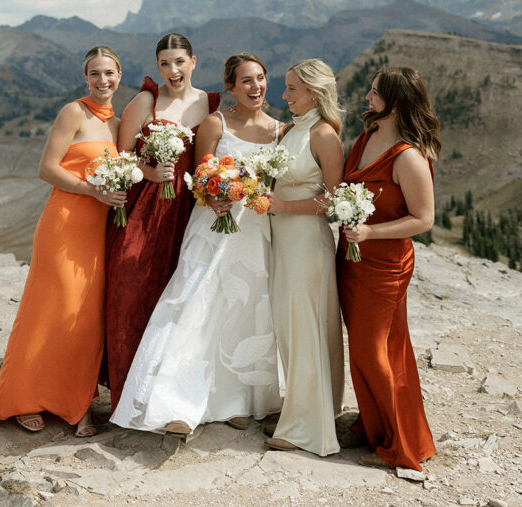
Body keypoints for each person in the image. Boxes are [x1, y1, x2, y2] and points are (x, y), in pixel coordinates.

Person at [110, 53, 282, 435]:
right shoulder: (214, 122)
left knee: (248, 307)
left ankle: (239, 400)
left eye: (260, 79)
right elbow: (200, 176)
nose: (255, 87)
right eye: (246, 81)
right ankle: (175, 401)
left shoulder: (278, 131)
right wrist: (212, 195)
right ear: (231, 88)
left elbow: (278, 184)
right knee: (196, 303)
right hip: (212, 225)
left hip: (255, 231)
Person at [0, 46, 127, 436]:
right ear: (85, 78)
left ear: (120, 74)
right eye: (94, 74)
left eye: (109, 73)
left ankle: (75, 404)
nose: (102, 81)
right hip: (64, 225)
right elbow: (46, 169)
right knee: (51, 310)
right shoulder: (73, 113)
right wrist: (92, 191)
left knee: (85, 318)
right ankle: (24, 398)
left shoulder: (119, 123)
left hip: (99, 230)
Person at [105, 33, 220, 410]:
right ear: (158, 67)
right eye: (165, 64)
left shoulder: (209, 103)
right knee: (129, 293)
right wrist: (150, 172)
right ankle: (125, 395)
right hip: (142, 213)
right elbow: (119, 157)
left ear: (193, 62)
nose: (173, 70)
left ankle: (164, 397)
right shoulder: (145, 101)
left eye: (179, 62)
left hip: (188, 215)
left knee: (175, 305)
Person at [336, 66, 441, 471]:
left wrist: (369, 232)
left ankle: (401, 440)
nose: (367, 96)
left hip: (384, 265)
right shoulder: (367, 136)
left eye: (375, 92)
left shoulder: (409, 157)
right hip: (351, 258)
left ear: (395, 101)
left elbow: (423, 219)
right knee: (369, 348)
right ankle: (376, 423)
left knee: (372, 348)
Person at [263, 59, 345, 455]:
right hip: (283, 239)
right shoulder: (292, 130)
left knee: (305, 326)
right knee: (289, 326)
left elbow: (334, 199)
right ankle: (303, 410)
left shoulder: (323, 134)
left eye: (292, 88)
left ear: (313, 91)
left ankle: (304, 427)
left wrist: (282, 206)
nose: (284, 95)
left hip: (308, 241)